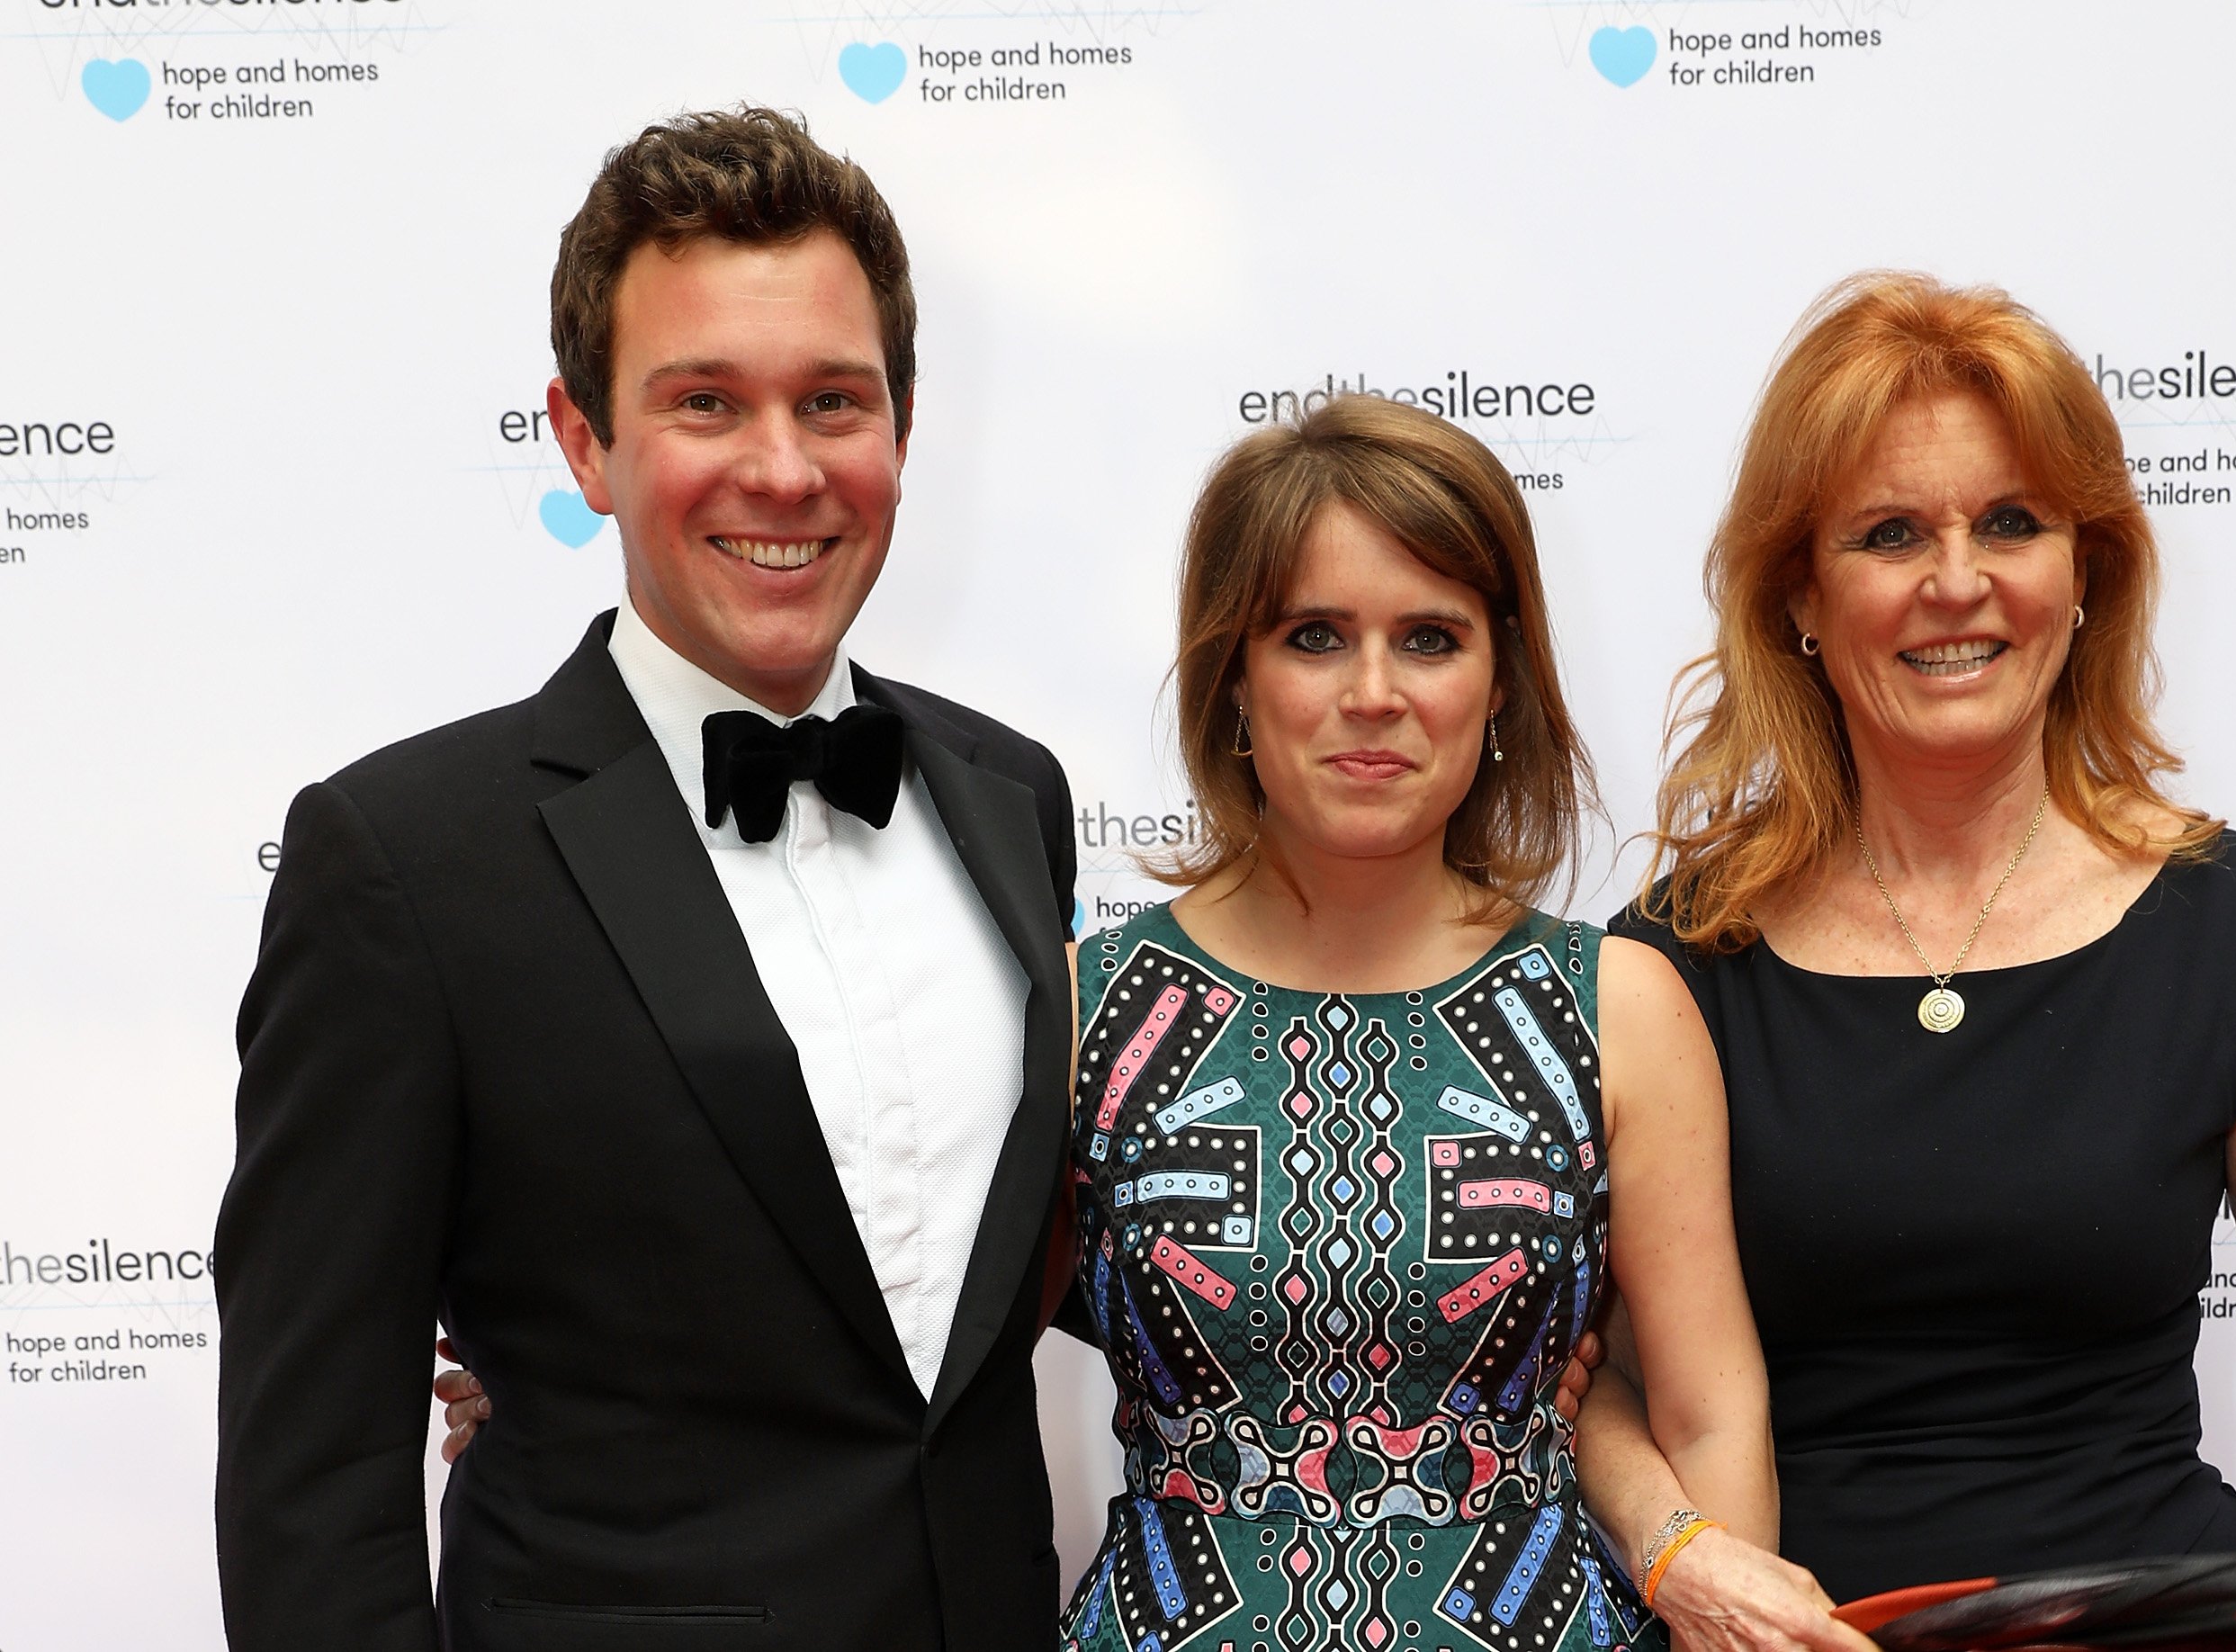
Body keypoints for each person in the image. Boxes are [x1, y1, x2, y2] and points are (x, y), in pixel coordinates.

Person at [444, 395, 1831, 1652]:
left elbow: (1708, 1415)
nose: (1374, 695)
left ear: (1498, 682)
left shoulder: (1613, 1006)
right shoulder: (1083, 1004)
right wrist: (591, 1379)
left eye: (1430, 637)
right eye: (1313, 637)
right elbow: (901, 1351)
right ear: (1234, 679)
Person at [216, 109, 1079, 1648]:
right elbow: (313, 1482)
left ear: (900, 427)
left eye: (834, 402)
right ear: (584, 439)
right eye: (704, 402)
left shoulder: (1014, 798)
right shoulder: (405, 863)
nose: (782, 467)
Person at [1572, 272, 2236, 1652]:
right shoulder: (1674, 962)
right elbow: (1592, 1379)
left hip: (2159, 1627)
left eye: (2011, 523)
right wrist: (1682, 1559)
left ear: (2084, 571)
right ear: (1799, 593)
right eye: (1890, 533)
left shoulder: (2233, 921)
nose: (1957, 582)